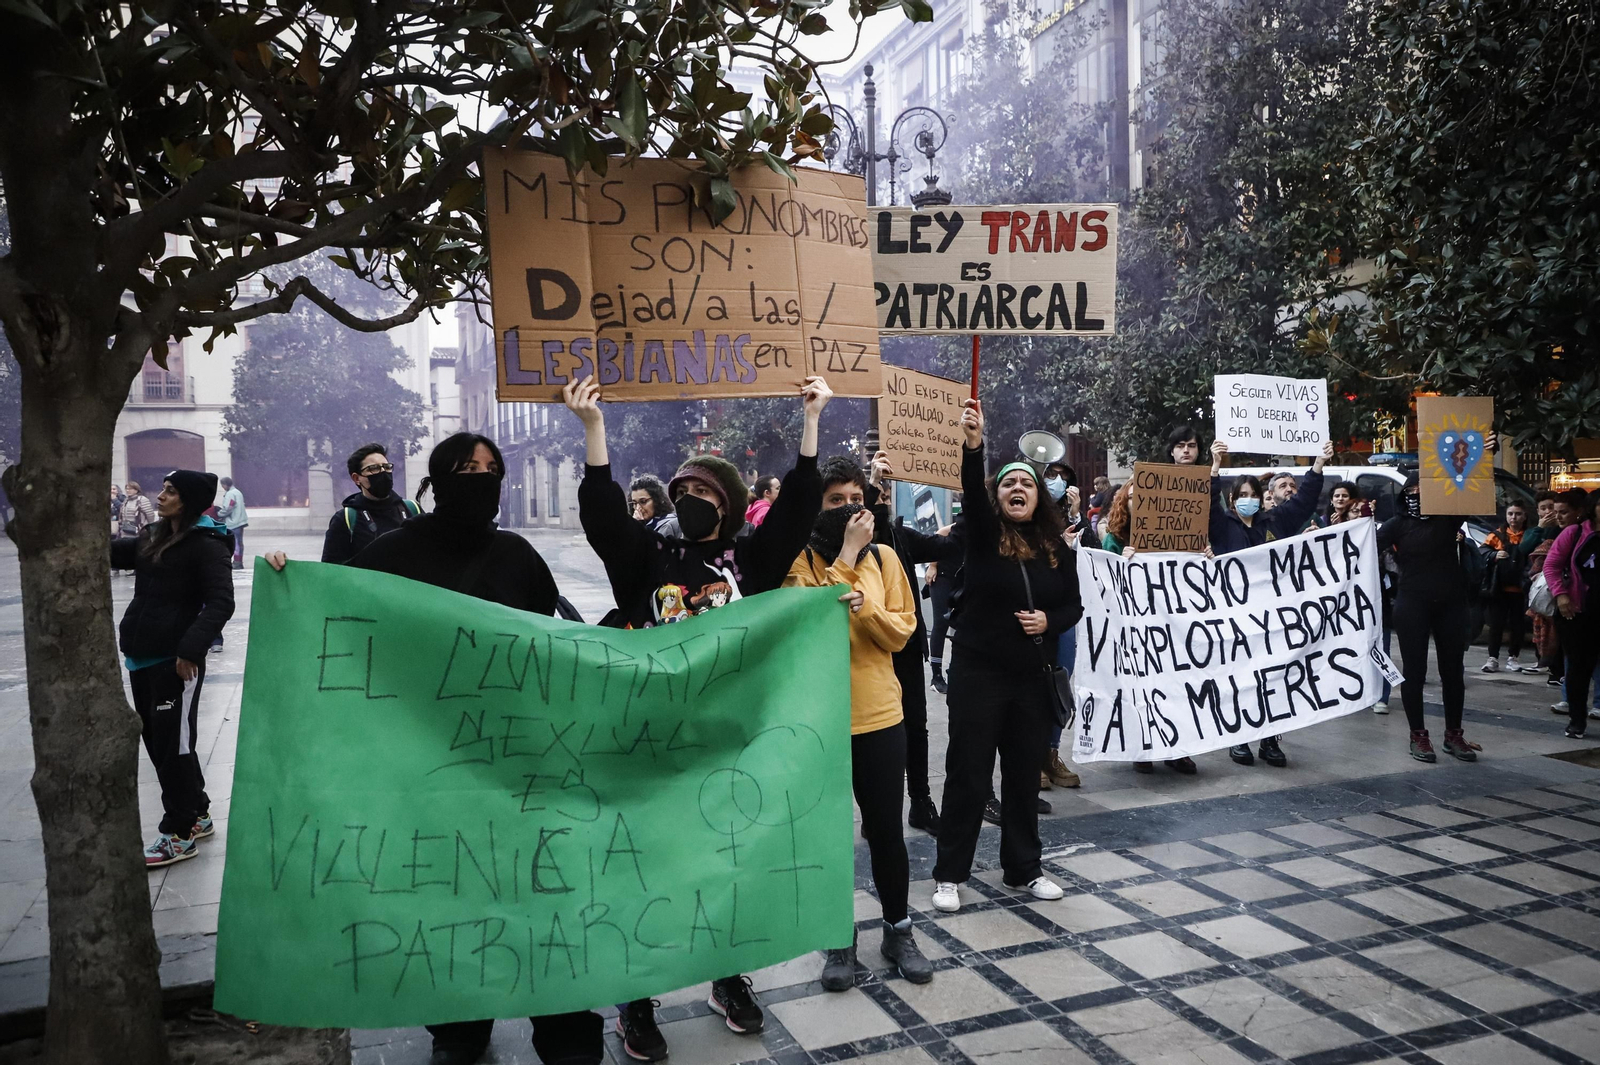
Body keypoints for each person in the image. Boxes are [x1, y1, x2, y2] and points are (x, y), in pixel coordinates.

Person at [269, 433, 590, 1065]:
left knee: (539, 891)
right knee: (455, 893)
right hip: (432, 767)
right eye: (467, 468)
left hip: (518, 763)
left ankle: (566, 1027)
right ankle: (460, 1028)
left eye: (491, 470)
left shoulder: (519, 554)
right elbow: (337, 614)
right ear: (439, 477)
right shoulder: (392, 553)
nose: (481, 478)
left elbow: (553, 647)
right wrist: (291, 583)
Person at [564, 374, 830, 1061]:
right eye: (684, 489)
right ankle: (636, 998)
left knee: (725, 867)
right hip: (649, 744)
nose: (691, 499)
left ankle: (726, 976)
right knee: (643, 869)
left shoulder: (752, 558)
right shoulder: (646, 554)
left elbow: (799, 510)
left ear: (733, 507)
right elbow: (601, 516)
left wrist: (811, 423)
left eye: (708, 493)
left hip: (726, 746)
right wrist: (595, 431)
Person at [784, 456, 935, 991]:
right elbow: (806, 630)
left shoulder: (889, 558)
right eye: (835, 501)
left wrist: (863, 608)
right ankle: (838, 939)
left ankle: (899, 930)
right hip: (820, 722)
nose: (849, 510)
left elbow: (901, 634)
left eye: (856, 499)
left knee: (886, 834)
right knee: (829, 837)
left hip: (878, 717)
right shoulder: (799, 562)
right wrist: (845, 559)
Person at [931, 398, 1081, 915]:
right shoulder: (982, 536)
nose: (1018, 490)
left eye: (1028, 484)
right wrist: (974, 447)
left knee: (1021, 776)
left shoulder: (1057, 548)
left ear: (1040, 498)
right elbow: (971, 492)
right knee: (968, 774)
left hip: (1029, 679)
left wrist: (1049, 622)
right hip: (978, 674)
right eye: (1008, 484)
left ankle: (1025, 868)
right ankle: (950, 873)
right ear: (998, 497)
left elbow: (1073, 605)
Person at [112, 470, 234, 868]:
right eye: (163, 489)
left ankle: (178, 833)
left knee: (173, 749)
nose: (161, 496)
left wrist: (190, 650)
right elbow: (120, 552)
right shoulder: (153, 534)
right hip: (141, 655)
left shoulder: (207, 544)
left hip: (176, 663)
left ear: (190, 500)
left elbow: (221, 603)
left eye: (171, 492)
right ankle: (196, 813)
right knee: (161, 744)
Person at [1209, 440, 1333, 766]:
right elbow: (1208, 505)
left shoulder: (1276, 522)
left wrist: (1318, 464)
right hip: (1235, 616)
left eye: (1254, 495)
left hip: (1273, 616)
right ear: (1233, 500)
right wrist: (1215, 468)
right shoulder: (1222, 527)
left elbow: (1304, 501)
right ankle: (1239, 740)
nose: (1249, 500)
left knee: (1273, 677)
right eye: (1243, 496)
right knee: (1239, 678)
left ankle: (1270, 741)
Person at [861, 452, 959, 833]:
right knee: (871, 736)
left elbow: (945, 547)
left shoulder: (902, 536)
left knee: (915, 727)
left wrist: (969, 515)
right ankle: (875, 812)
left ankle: (920, 801)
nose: (882, 500)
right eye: (875, 496)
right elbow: (873, 534)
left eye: (886, 495)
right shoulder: (853, 539)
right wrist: (873, 487)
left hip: (904, 649)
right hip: (869, 652)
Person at [1378, 464, 1495, 763]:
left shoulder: (1448, 518)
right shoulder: (1396, 525)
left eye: (1423, 489)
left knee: (1453, 672)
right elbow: (1359, 548)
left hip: (1451, 604)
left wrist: (1484, 451)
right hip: (1412, 604)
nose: (1417, 494)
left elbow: (1472, 489)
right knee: (1414, 673)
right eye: (1411, 490)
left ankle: (1453, 734)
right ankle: (1418, 735)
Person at [1546, 489, 1599, 739]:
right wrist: (1561, 594)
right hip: (1577, 611)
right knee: (1579, 667)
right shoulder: (1575, 533)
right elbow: (1552, 565)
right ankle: (1577, 720)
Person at [322, 443, 422, 563]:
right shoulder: (345, 519)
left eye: (386, 467)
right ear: (356, 478)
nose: (383, 472)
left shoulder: (412, 509)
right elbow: (331, 570)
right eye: (374, 469)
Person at [1481, 502, 1532, 672]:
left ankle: (1513, 657)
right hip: (1498, 589)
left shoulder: (1529, 536)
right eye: (1510, 513)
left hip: (1521, 590)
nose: (1514, 517)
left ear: (1524, 516)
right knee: (1496, 625)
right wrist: (1495, 555)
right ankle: (1492, 658)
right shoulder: (1496, 535)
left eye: (1518, 513)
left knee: (1518, 625)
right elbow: (1482, 553)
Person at [215, 476, 248, 569]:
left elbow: (228, 508)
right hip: (240, 521)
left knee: (235, 543)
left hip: (233, 522)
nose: (222, 487)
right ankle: (239, 561)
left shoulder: (230, 494)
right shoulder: (238, 492)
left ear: (225, 484)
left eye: (222, 485)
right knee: (239, 543)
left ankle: (237, 563)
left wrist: (219, 514)